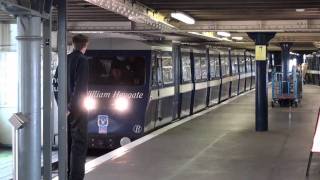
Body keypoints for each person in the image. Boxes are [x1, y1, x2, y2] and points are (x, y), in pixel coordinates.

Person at [53, 34, 89, 180]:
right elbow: (80, 88)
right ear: (85, 45)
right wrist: (71, 107)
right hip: (77, 109)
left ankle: (67, 175)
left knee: (67, 143)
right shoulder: (83, 60)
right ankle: (76, 177)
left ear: (73, 44)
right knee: (79, 144)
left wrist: (62, 106)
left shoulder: (64, 60)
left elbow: (55, 84)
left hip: (65, 110)